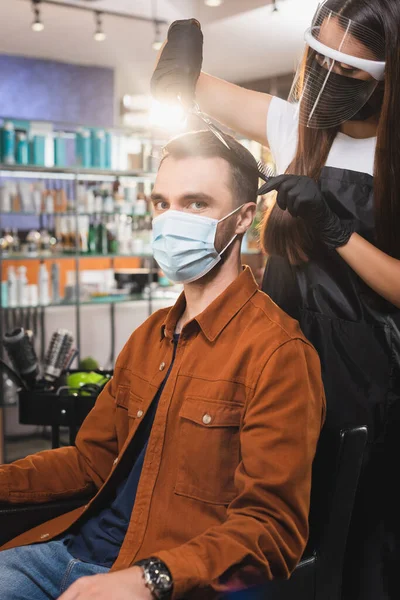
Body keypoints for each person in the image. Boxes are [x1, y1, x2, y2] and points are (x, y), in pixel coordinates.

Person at [0, 130, 325, 600]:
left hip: (160, 579)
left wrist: (146, 579)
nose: (172, 219)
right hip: (63, 552)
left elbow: (270, 530)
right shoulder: (148, 337)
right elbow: (90, 463)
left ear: (243, 219)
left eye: (195, 204)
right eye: (161, 202)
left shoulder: (278, 354)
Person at [150, 2, 400, 599]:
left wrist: (337, 229)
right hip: (278, 360)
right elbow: (187, 86)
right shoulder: (291, 125)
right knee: (265, 526)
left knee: (357, 538)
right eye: (322, 59)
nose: (330, 80)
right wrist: (178, 42)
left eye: (353, 73)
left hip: (367, 376)